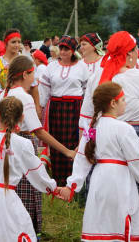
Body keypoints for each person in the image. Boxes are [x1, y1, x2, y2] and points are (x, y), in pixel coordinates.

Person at [79, 31, 139, 241]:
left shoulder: (97, 78)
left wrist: (88, 143)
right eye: (136, 49)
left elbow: (85, 118)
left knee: (118, 195)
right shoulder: (136, 77)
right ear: (130, 54)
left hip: (105, 141)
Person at [61, 82, 139, 242]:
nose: (126, 103)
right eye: (123, 100)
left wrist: (72, 185)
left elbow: (82, 158)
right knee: (121, 222)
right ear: (113, 103)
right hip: (119, 181)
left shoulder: (92, 128)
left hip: (99, 181)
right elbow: (136, 160)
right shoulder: (124, 128)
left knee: (100, 222)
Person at [0, 56, 75, 235]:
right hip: (21, 145)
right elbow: (39, 131)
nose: (34, 79)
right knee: (26, 193)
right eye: (32, 74)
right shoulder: (23, 97)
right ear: (25, 74)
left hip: (2, 146)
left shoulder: (4, 95)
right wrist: (67, 151)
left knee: (10, 190)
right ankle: (26, 233)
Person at [0, 96, 59, 241]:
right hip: (9, 197)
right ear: (22, 118)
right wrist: (52, 187)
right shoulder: (23, 144)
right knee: (16, 230)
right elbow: (37, 172)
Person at [38, 35, 89, 185]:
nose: (63, 51)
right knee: (56, 139)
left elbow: (86, 90)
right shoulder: (51, 66)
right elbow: (44, 90)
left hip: (75, 107)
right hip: (56, 107)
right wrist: (40, 107)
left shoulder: (82, 66)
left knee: (73, 140)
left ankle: (72, 180)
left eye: (66, 49)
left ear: (73, 50)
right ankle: (58, 180)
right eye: (61, 48)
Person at [0, 29, 42, 121]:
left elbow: (34, 87)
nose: (17, 45)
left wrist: (37, 107)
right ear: (5, 43)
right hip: (5, 106)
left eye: (19, 42)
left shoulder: (26, 61)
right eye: (13, 42)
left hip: (24, 104)